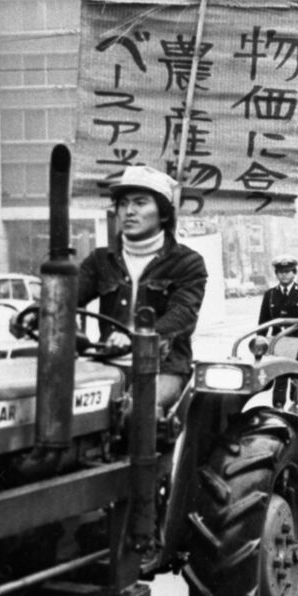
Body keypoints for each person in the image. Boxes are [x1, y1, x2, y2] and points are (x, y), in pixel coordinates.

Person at [77, 164, 207, 413]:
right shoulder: (100, 260)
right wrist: (36, 311)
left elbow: (183, 315)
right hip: (107, 364)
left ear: (164, 213)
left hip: (164, 368)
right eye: (123, 203)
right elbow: (69, 297)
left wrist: (135, 336)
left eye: (140, 203)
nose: (129, 211)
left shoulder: (187, 263)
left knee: (138, 411)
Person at [258, 255, 298, 325]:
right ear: (276, 274)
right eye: (280, 272)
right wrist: (261, 336)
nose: (284, 275)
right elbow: (263, 321)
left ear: (294, 273)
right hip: (277, 336)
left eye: (287, 271)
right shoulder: (270, 294)